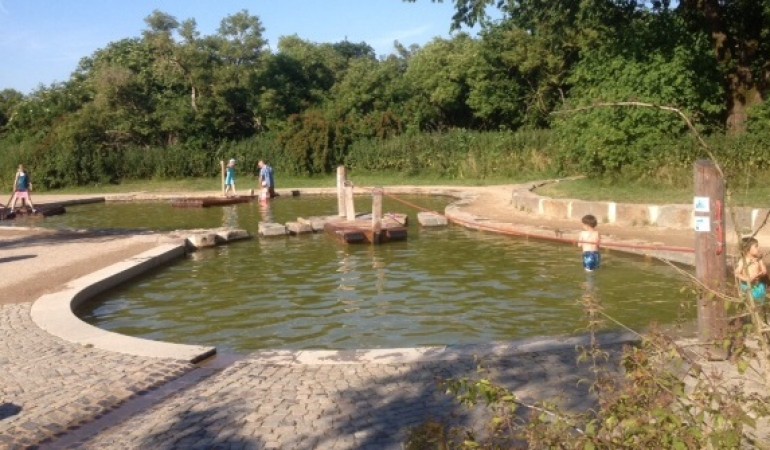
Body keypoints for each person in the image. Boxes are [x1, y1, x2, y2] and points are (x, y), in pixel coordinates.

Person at [734, 236, 767, 305]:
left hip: (758, 286)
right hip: (748, 287)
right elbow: (736, 273)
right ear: (747, 249)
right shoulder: (743, 261)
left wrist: (760, 263)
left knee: (760, 305)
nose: (758, 248)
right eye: (756, 246)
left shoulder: (758, 259)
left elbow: (764, 271)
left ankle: (760, 311)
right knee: (751, 304)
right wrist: (746, 279)